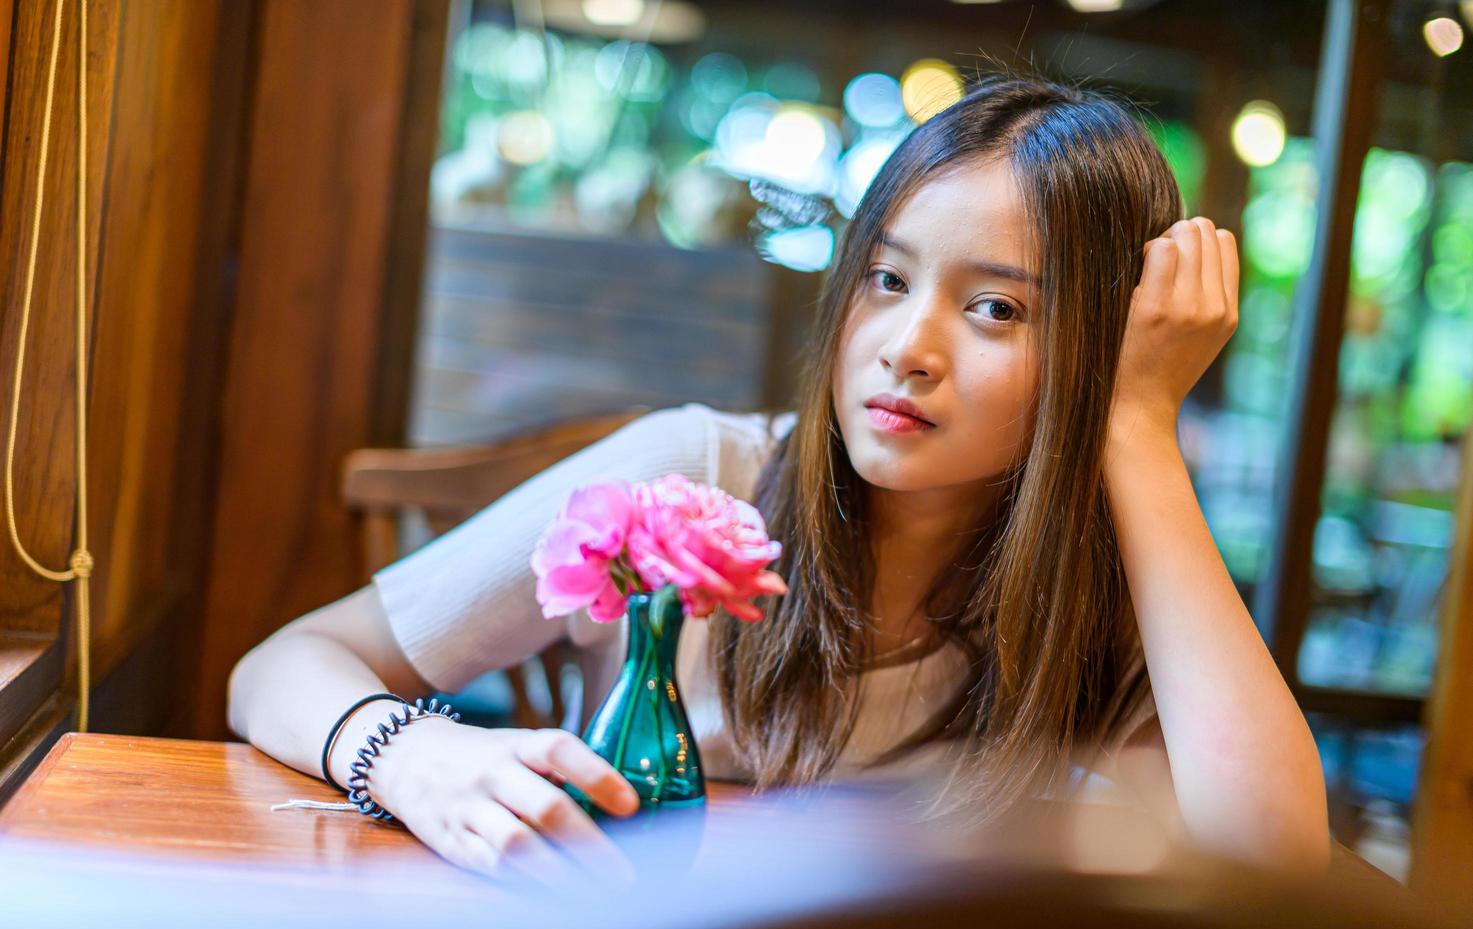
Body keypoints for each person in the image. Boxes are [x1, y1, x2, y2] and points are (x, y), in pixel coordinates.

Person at [227, 76, 1329, 884]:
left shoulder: (1102, 590)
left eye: (996, 307)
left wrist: (1133, 424)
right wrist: (411, 753)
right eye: (887, 278)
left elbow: (1274, 858)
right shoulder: (699, 472)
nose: (907, 344)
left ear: (1098, 345)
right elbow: (287, 664)